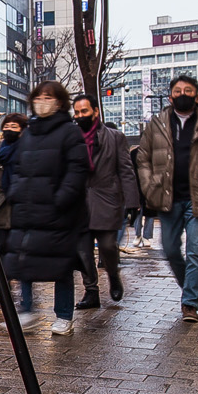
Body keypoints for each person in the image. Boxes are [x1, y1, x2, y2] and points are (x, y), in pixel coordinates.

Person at [134, 73, 198, 322]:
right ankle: (188, 284)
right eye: (178, 91)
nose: (183, 94)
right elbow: (143, 158)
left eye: (188, 90)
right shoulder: (156, 124)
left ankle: (190, 303)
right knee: (169, 249)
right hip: (167, 198)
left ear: (197, 95)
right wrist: (149, 186)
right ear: (170, 96)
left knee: (196, 251)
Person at [3, 82, 87, 334]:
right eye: (38, 97)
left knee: (60, 264)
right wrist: (16, 193)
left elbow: (77, 170)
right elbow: (17, 168)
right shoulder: (29, 133)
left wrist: (61, 199)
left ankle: (64, 315)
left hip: (57, 212)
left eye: (48, 97)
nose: (42, 101)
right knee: (23, 260)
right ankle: (26, 310)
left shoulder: (70, 133)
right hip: (28, 209)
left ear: (60, 102)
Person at [72, 93, 136, 309]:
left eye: (84, 111)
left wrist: (132, 201)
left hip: (107, 199)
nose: (80, 115)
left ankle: (113, 274)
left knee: (108, 245)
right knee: (83, 251)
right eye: (77, 112)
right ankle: (91, 291)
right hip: (79, 203)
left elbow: (126, 170)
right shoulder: (71, 137)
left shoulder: (114, 137)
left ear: (95, 112)